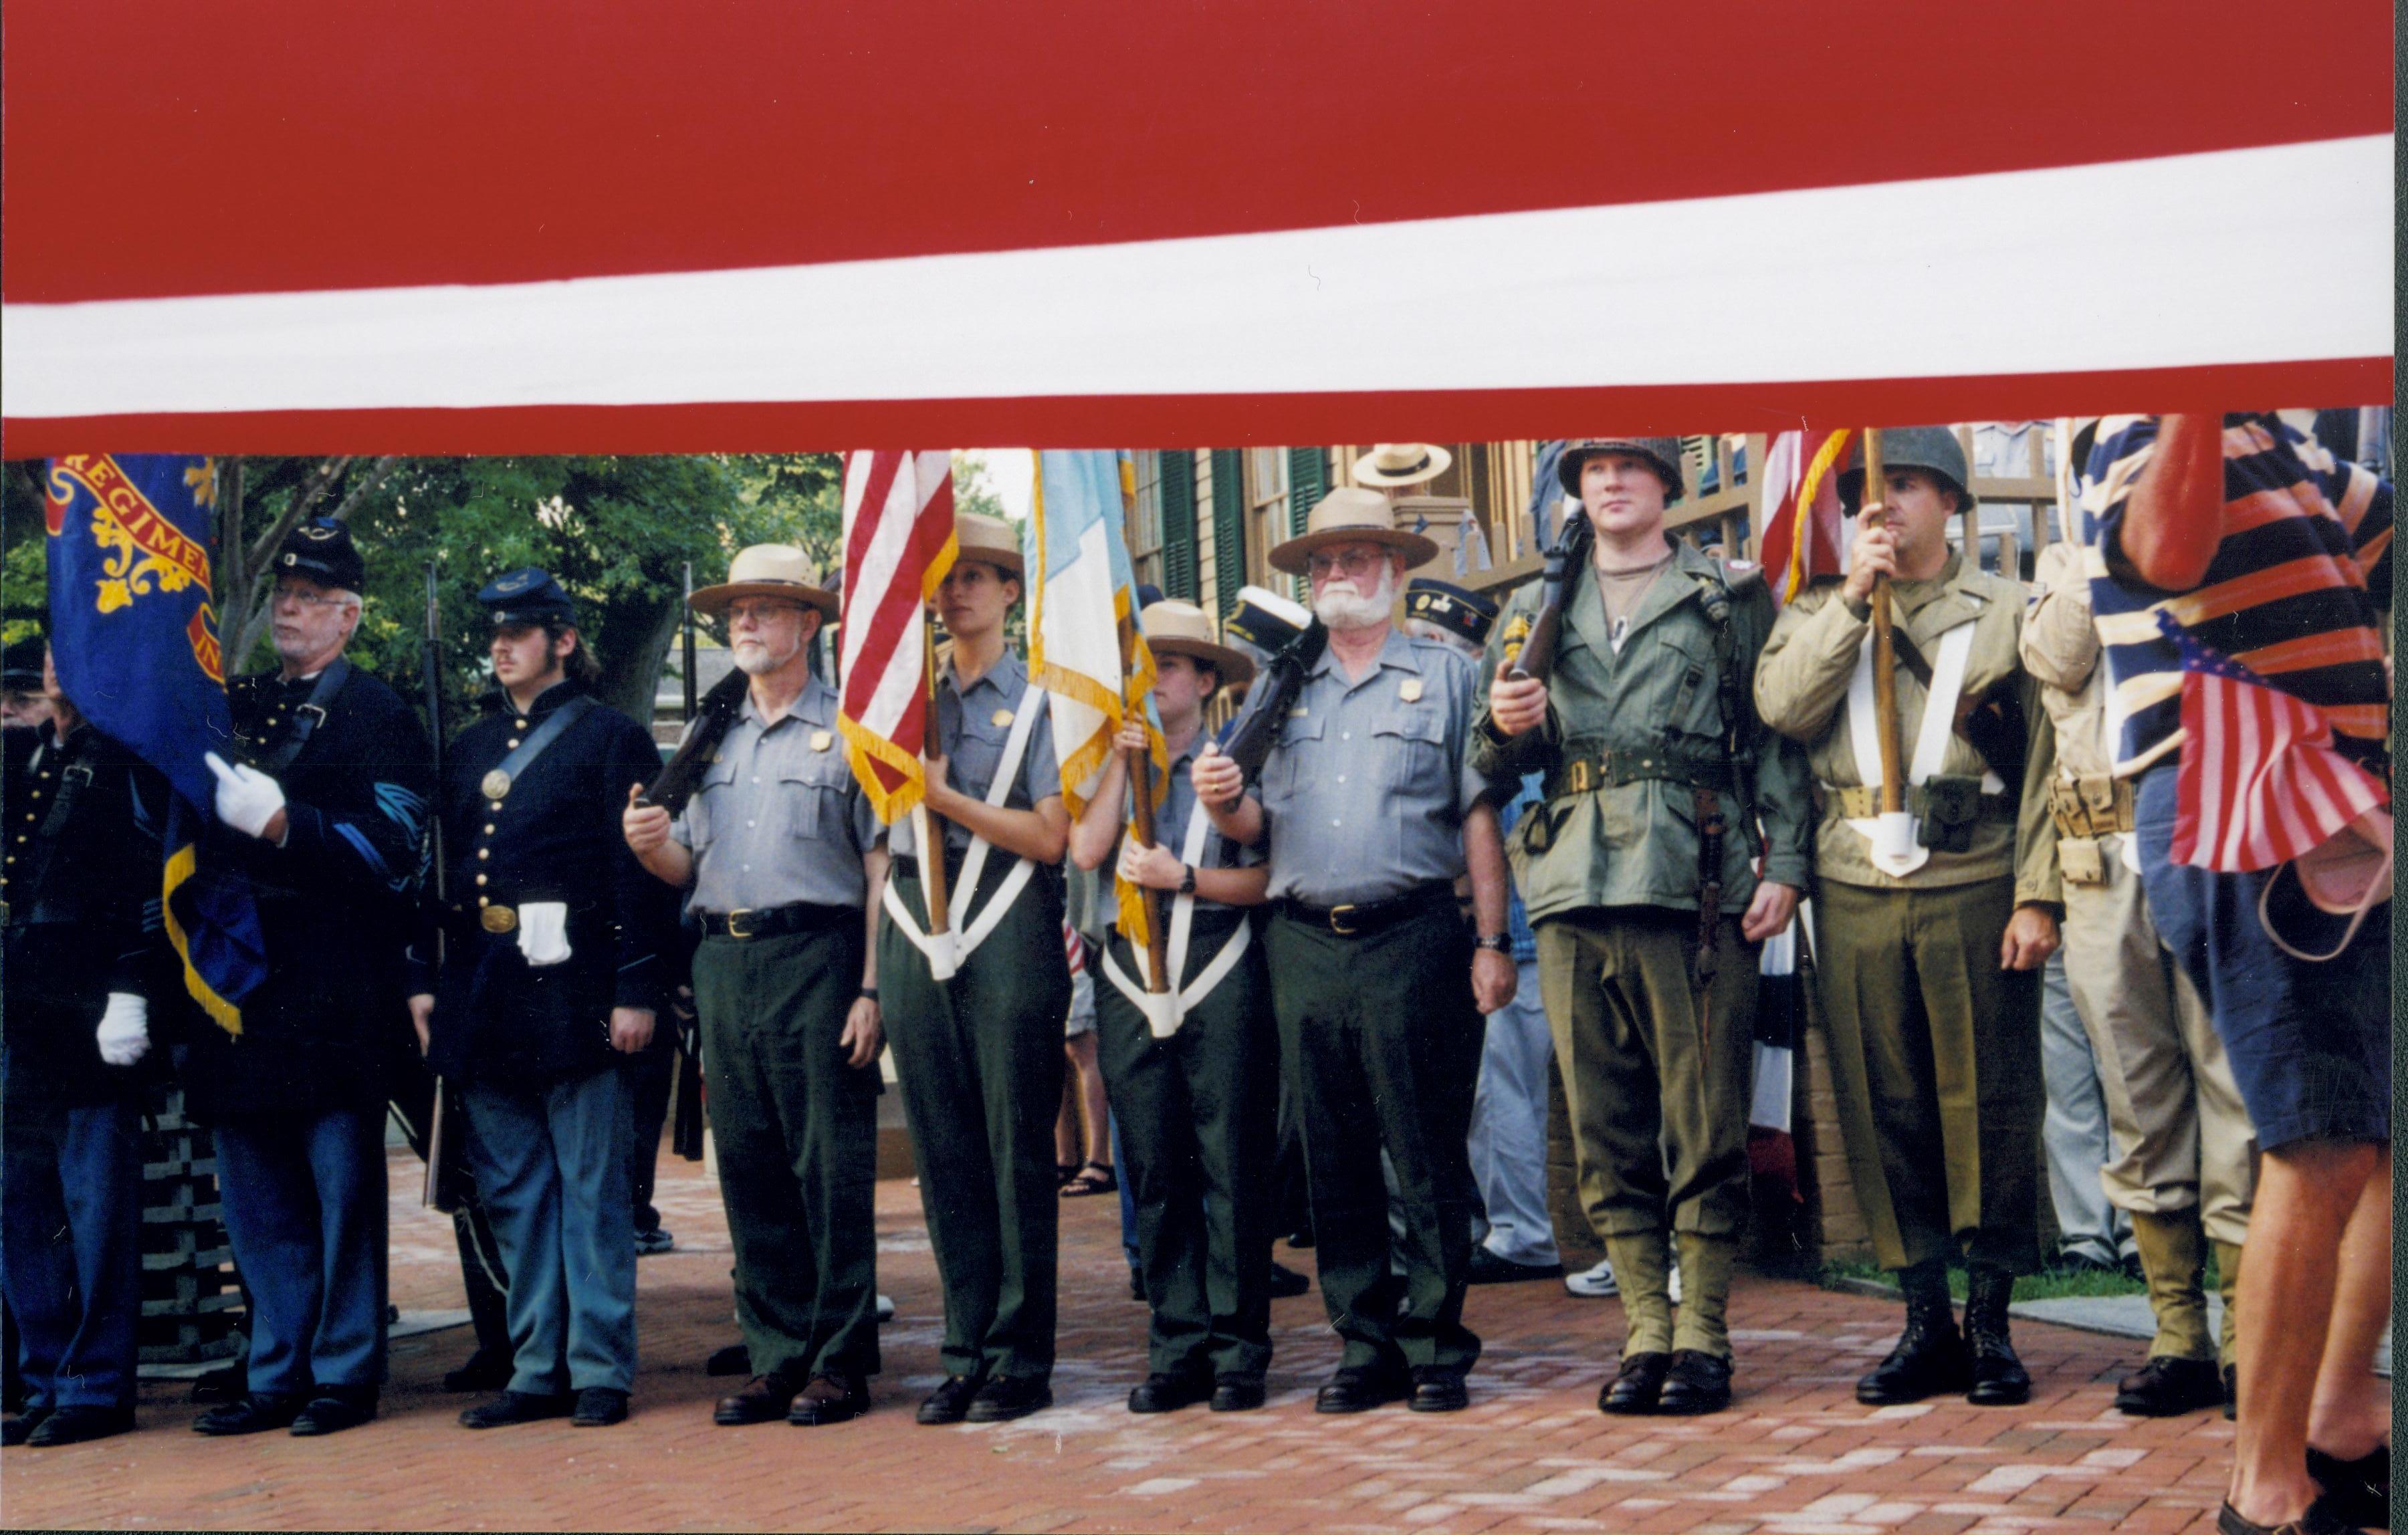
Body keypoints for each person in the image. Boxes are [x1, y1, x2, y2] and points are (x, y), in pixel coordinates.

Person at [2080, 413, 2389, 1535]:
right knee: (2316, 1135)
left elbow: (2387, 534)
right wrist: (2202, 383)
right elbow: (2163, 553)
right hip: (2249, 786)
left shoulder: (2292, 446)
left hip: (2329, 801)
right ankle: (2263, 1492)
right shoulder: (2146, 418)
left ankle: (2343, 1426)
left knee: (2372, 1131)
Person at [1477, 438, 1814, 1416]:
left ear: (1667, 485)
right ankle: (1642, 1329)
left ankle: (1703, 1329)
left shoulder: (1724, 595)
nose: (1611, 483)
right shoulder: (1533, 610)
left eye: (1632, 466)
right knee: (1604, 1128)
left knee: (1704, 1119)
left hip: (1693, 880)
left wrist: (1784, 863)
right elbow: (1486, 767)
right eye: (1592, 471)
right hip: (1573, 887)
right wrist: (1504, 721)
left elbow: (1772, 744)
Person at [1755, 427, 2060, 1408]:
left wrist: (2036, 893)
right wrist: (1850, 600)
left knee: (1989, 1105)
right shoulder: (1815, 609)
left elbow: (2048, 767)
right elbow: (1783, 709)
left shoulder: (2006, 609)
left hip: (1972, 877)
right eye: (1866, 495)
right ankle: (1921, 1315)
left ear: (1953, 504)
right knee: (1882, 1104)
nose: (1883, 507)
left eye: (1911, 487)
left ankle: (1991, 1320)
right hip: (1855, 886)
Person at [1192, 487, 1513, 1415]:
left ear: (1397, 571)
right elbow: (1260, 829)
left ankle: (1436, 1341)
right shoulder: (1279, 685)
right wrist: (1220, 801)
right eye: (1324, 564)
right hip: (1302, 941)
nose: (1337, 576)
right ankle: (1363, 1343)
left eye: (1357, 559)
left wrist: (1491, 941)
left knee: (1423, 1150)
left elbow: (1478, 817)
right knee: (1329, 1156)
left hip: (1413, 933)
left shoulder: (1449, 676)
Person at [622, 546, 888, 1427]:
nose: (744, 623)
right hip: (725, 961)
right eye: (736, 610)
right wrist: (646, 840)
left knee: (830, 1169)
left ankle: (840, 1361)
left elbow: (881, 867)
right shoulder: (711, 736)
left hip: (817, 956)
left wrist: (873, 988)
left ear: (809, 624)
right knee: (751, 1166)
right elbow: (683, 866)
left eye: (765, 609)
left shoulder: (851, 728)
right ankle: (776, 1355)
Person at [183, 521, 433, 1439]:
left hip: (332, 983)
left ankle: (343, 1371)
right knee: (256, 1197)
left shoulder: (378, 713)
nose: (287, 609)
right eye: (282, 594)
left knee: (338, 1195)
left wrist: (291, 826)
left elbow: (399, 847)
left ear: (349, 616)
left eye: (309, 597)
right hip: (238, 983)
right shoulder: (238, 704)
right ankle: (275, 1368)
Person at [411, 568, 670, 1431]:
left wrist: (637, 989)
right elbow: (439, 876)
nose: (501, 647)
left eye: (520, 632)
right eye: (493, 634)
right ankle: (537, 1365)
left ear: (562, 640)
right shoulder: (471, 747)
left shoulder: (611, 738)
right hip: (487, 996)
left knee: (592, 1188)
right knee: (517, 1192)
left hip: (577, 994)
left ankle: (599, 1366)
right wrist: (424, 977)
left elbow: (639, 879)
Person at [2021, 533, 2253, 1417]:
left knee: (2232, 1097)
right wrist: (2095, 554)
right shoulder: (2063, 558)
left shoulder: (2219, 538)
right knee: (2136, 1099)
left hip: (2208, 837)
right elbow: (2054, 655)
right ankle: (2176, 1334)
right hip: (2095, 864)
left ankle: (2247, 1340)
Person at [879, 512, 1075, 1426]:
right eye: (947, 578)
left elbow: (1049, 834)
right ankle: (965, 1353)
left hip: (1005, 914)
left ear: (1010, 591)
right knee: (944, 1147)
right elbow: (871, 837)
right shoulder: (902, 700)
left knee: (1010, 1143)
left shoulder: (1035, 697)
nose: (958, 593)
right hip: (919, 913)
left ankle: (1018, 1356)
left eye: (980, 577)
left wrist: (946, 796)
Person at [1068, 600, 1279, 1414]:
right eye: (1140, 669)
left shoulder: (1237, 760)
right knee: (1153, 1164)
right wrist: (1124, 761)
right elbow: (1086, 851)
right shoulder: (1112, 759)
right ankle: (1177, 1345)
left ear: (1202, 680)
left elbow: (1267, 877)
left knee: (1228, 1161)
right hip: (1129, 971)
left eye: (1167, 667)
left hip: (1217, 958)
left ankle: (1237, 1350)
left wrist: (1183, 878)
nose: (1154, 683)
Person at [0, 644, 166, 1448]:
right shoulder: (31, 753)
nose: (60, 665)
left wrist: (133, 986)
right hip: (22, 1015)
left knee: (95, 1208)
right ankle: (43, 1374)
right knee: (21, 1203)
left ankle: (95, 1382)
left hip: (92, 1015)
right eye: (54, 650)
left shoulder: (127, 759)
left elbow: (149, 880)